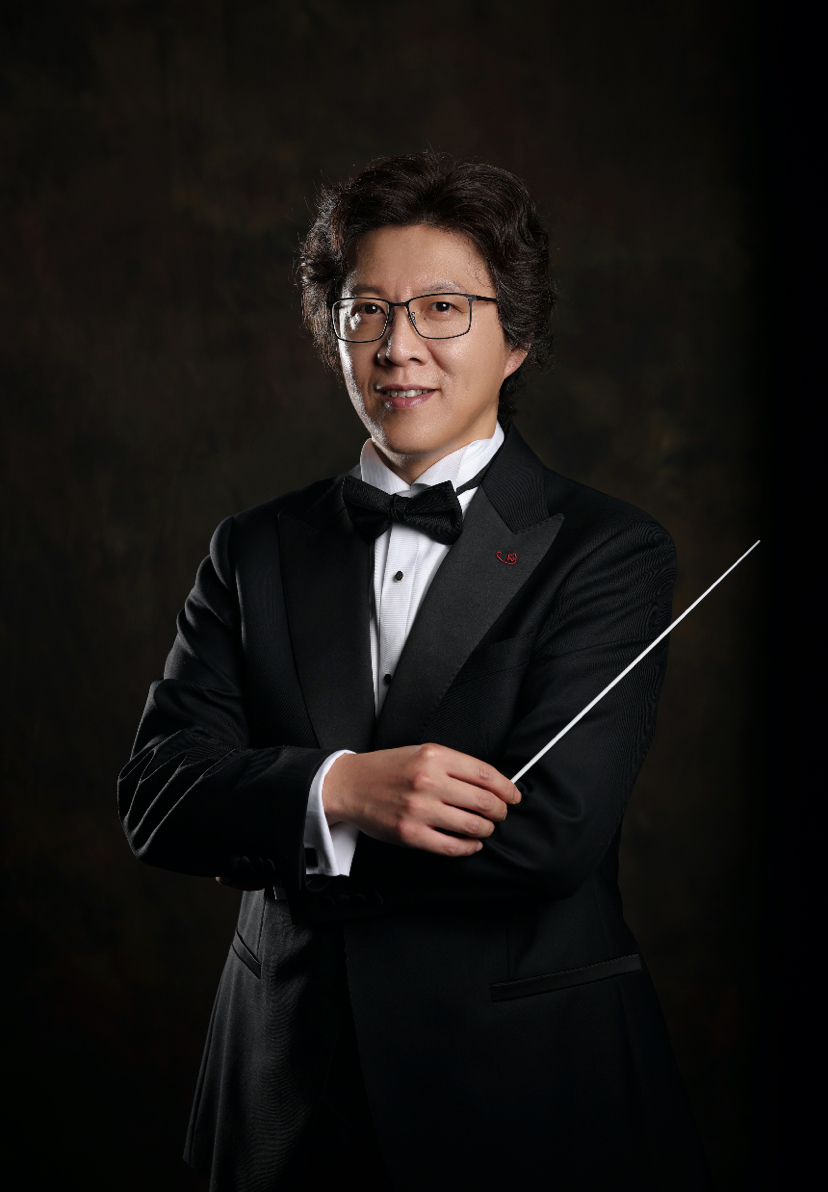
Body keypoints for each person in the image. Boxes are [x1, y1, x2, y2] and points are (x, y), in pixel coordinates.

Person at [118, 152, 711, 1191]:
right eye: (368, 312)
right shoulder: (252, 548)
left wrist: (277, 832)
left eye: (442, 308)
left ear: (515, 338)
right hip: (283, 1087)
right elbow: (158, 796)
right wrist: (339, 791)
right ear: (333, 332)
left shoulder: (611, 551)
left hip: (527, 1085)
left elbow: (551, 834)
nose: (398, 347)